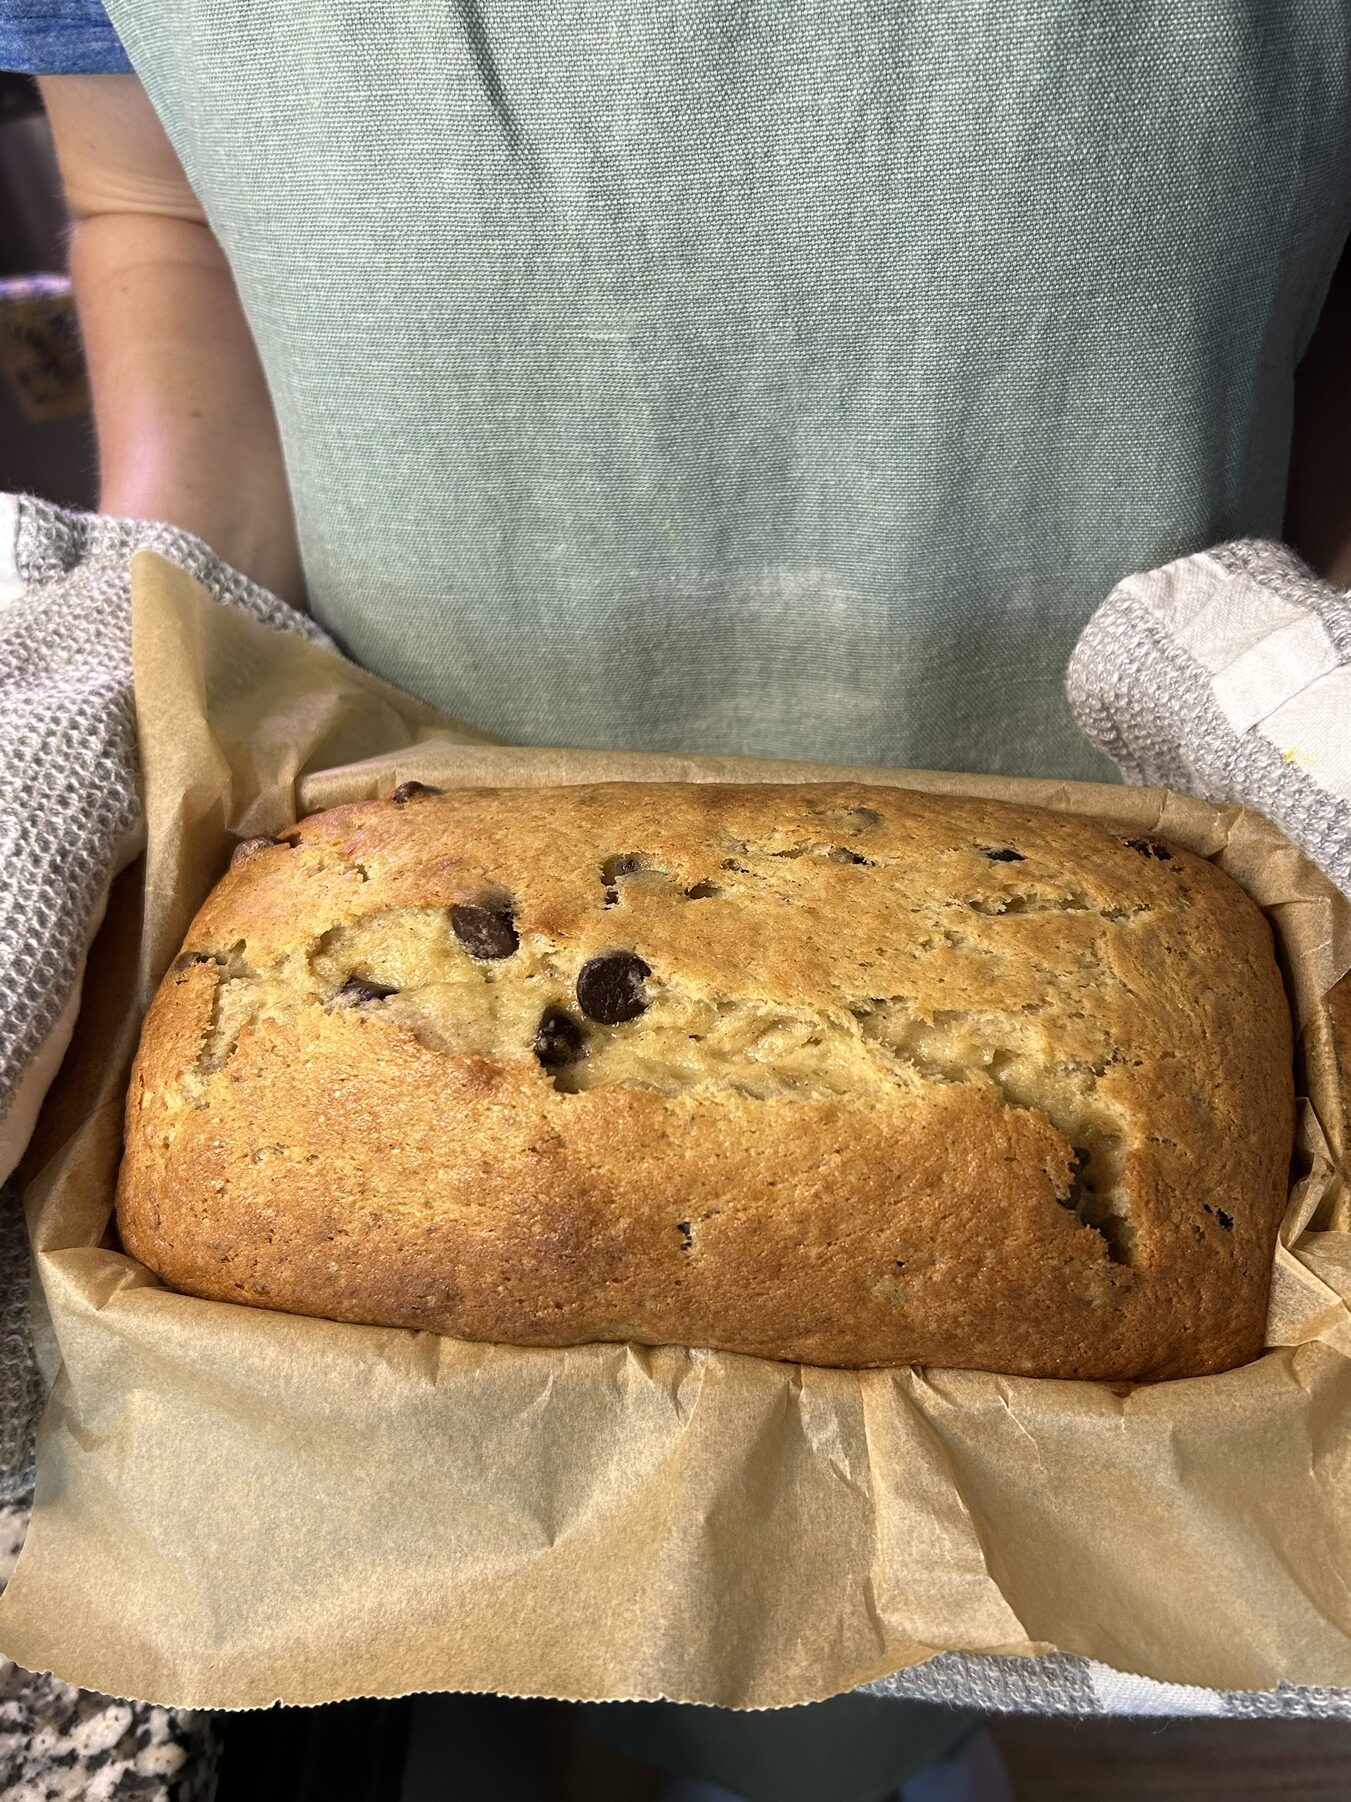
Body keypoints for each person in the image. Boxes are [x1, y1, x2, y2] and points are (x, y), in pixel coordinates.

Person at [2, 4, 1349, 1800]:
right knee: (502, 1631)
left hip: (1155, 820)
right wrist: (151, 627)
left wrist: (1305, 665)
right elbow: (152, 206)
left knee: (928, 1686)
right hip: (371, 801)